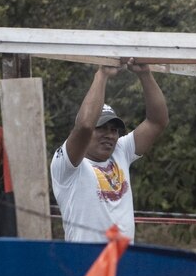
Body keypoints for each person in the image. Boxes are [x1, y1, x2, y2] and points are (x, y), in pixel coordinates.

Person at [50, 59, 168, 243]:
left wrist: (145, 74)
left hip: (123, 263)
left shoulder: (121, 151)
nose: (109, 135)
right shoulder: (68, 165)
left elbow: (157, 121)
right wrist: (102, 74)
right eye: (102, 128)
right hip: (86, 263)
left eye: (113, 130)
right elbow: (85, 125)